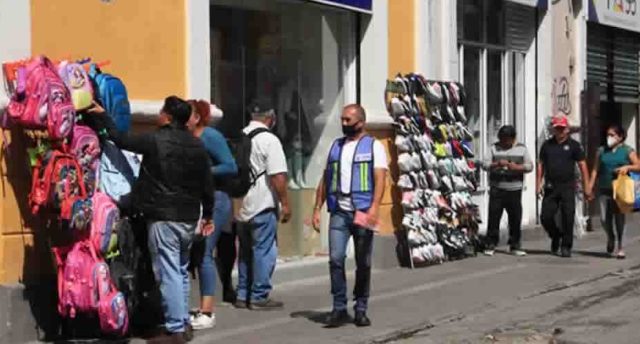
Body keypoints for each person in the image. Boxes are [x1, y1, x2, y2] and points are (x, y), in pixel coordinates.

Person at [87, 96, 215, 344]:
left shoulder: (156, 139)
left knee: (168, 272)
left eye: (161, 111)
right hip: (188, 217)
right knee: (179, 269)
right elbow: (207, 183)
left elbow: (120, 138)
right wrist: (207, 214)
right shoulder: (196, 145)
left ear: (167, 116)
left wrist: (102, 115)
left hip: (164, 217)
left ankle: (175, 328)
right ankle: (183, 323)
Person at [311, 104, 388, 328]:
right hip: (339, 212)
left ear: (361, 122)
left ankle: (361, 308)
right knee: (335, 259)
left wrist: (375, 207)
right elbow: (326, 179)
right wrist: (317, 208)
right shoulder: (336, 146)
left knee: (363, 262)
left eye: (348, 120)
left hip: (363, 210)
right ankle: (339, 307)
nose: (344, 124)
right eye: (342, 120)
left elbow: (380, 179)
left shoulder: (373, 147)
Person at [234, 99, 291, 310]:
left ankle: (242, 293)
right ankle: (259, 295)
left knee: (245, 253)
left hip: (241, 203)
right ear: (270, 118)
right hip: (263, 202)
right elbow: (277, 176)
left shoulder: (240, 135)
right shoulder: (269, 140)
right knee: (264, 250)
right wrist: (285, 203)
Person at [187, 100, 237, 330]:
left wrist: (204, 171)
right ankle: (195, 306)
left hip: (216, 200)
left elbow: (230, 165)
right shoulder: (187, 138)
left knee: (205, 252)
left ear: (197, 117)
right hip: (196, 201)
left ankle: (207, 311)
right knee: (195, 254)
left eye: (186, 115)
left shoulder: (210, 137)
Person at [537, 114, 591, 258]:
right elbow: (541, 165)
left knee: (568, 216)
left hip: (568, 186)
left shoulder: (574, 146)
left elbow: (583, 166)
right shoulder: (547, 145)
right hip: (551, 186)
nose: (560, 131)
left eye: (562, 128)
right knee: (545, 217)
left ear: (567, 129)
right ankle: (556, 236)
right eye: (557, 129)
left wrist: (587, 187)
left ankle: (566, 246)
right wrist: (538, 184)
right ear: (553, 129)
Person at [587, 124, 640, 259]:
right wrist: (590, 186)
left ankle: (621, 246)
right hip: (604, 188)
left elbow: (638, 166)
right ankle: (610, 236)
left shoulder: (627, 150)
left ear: (620, 137)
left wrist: (627, 167)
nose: (609, 138)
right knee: (604, 218)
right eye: (608, 135)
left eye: (612, 135)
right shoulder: (601, 151)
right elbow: (595, 170)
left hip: (621, 189)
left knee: (620, 218)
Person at [482, 125, 533, 257]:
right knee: (494, 217)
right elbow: (485, 164)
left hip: (514, 189)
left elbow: (529, 166)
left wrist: (515, 167)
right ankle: (491, 244)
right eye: (502, 139)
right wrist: (497, 164)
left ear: (513, 138)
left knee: (515, 218)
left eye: (507, 140)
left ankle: (514, 245)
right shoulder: (493, 148)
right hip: (497, 188)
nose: (504, 142)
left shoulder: (522, 148)